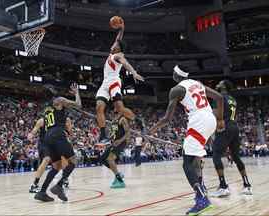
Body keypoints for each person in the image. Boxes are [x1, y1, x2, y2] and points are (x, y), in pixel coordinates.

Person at [149, 65, 224, 215]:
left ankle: (202, 199)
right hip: (210, 119)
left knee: (187, 163)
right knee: (195, 158)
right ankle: (201, 192)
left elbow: (168, 118)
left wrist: (153, 128)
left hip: (199, 121)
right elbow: (219, 98)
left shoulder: (176, 89)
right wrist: (220, 119)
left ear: (176, 75)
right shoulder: (198, 84)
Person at [95, 18, 145, 144]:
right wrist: (122, 28)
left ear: (119, 48)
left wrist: (134, 73)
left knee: (120, 108)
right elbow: (118, 38)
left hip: (114, 81)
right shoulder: (113, 51)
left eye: (116, 44)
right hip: (105, 83)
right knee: (99, 107)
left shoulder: (119, 55)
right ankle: (102, 136)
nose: (113, 44)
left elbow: (125, 63)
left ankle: (136, 119)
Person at [34, 83, 81, 202]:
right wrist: (76, 93)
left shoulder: (46, 107)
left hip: (47, 136)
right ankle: (59, 186)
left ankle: (42, 192)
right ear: (52, 91)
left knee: (57, 166)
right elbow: (78, 105)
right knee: (73, 161)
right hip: (57, 133)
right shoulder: (59, 100)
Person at [211, 80, 252, 197]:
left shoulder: (218, 97)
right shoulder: (232, 99)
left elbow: (216, 114)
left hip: (225, 127)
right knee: (236, 157)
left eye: (219, 83)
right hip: (235, 127)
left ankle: (223, 186)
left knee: (216, 155)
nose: (217, 84)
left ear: (223, 86)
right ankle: (247, 185)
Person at [28, 116, 72, 193]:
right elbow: (34, 131)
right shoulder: (42, 121)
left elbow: (68, 132)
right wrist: (31, 134)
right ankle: (34, 185)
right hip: (44, 143)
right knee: (46, 159)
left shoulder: (62, 120)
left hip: (55, 143)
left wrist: (68, 126)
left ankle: (64, 179)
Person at [100, 112, 130, 188]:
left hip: (121, 142)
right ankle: (118, 174)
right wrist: (107, 140)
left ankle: (120, 181)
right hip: (114, 142)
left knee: (110, 159)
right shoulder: (113, 120)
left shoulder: (122, 119)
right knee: (103, 159)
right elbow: (113, 133)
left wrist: (120, 141)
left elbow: (128, 133)